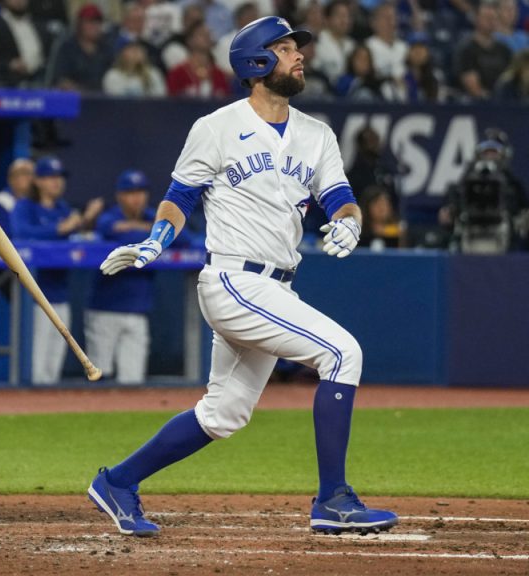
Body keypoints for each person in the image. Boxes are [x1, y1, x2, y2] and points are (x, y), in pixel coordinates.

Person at [87, 16, 398, 537]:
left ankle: (118, 481)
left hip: (276, 285)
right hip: (234, 280)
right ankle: (334, 499)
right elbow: (180, 198)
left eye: (297, 47)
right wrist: (156, 239)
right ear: (255, 62)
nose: (298, 55)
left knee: (224, 413)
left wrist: (349, 225)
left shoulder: (316, 134)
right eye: (284, 47)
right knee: (342, 353)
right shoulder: (215, 127)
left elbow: (341, 200)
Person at [11, 156, 103, 384]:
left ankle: (47, 409)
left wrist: (84, 222)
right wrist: (60, 228)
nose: (57, 182)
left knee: (54, 363)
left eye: (59, 177)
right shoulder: (25, 206)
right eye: (50, 177)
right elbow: (20, 234)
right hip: (33, 298)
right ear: (38, 181)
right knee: (36, 364)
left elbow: (76, 237)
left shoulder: (63, 208)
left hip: (61, 294)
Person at [85, 169, 158, 384]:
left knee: (133, 380)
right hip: (104, 310)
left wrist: (136, 227)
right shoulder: (109, 217)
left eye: (141, 192)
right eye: (130, 192)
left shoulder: (154, 216)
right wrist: (151, 232)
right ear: (120, 196)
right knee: (100, 375)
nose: (137, 198)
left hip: (138, 312)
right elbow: (109, 230)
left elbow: (183, 236)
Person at [0, 157, 35, 236]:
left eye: (31, 173)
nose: (29, 178)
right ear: (11, 178)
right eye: (23, 173)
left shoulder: (37, 200)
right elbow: (4, 234)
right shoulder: (1, 200)